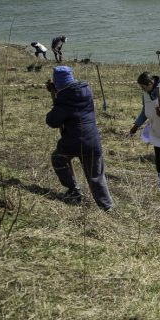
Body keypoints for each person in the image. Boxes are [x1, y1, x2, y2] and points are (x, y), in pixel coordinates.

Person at [45, 66, 113, 211]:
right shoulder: (85, 91)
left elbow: (52, 121)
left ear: (58, 84)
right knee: (96, 177)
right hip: (93, 141)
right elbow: (71, 99)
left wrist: (56, 97)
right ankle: (107, 207)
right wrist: (57, 91)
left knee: (58, 159)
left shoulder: (64, 100)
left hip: (72, 142)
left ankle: (74, 190)